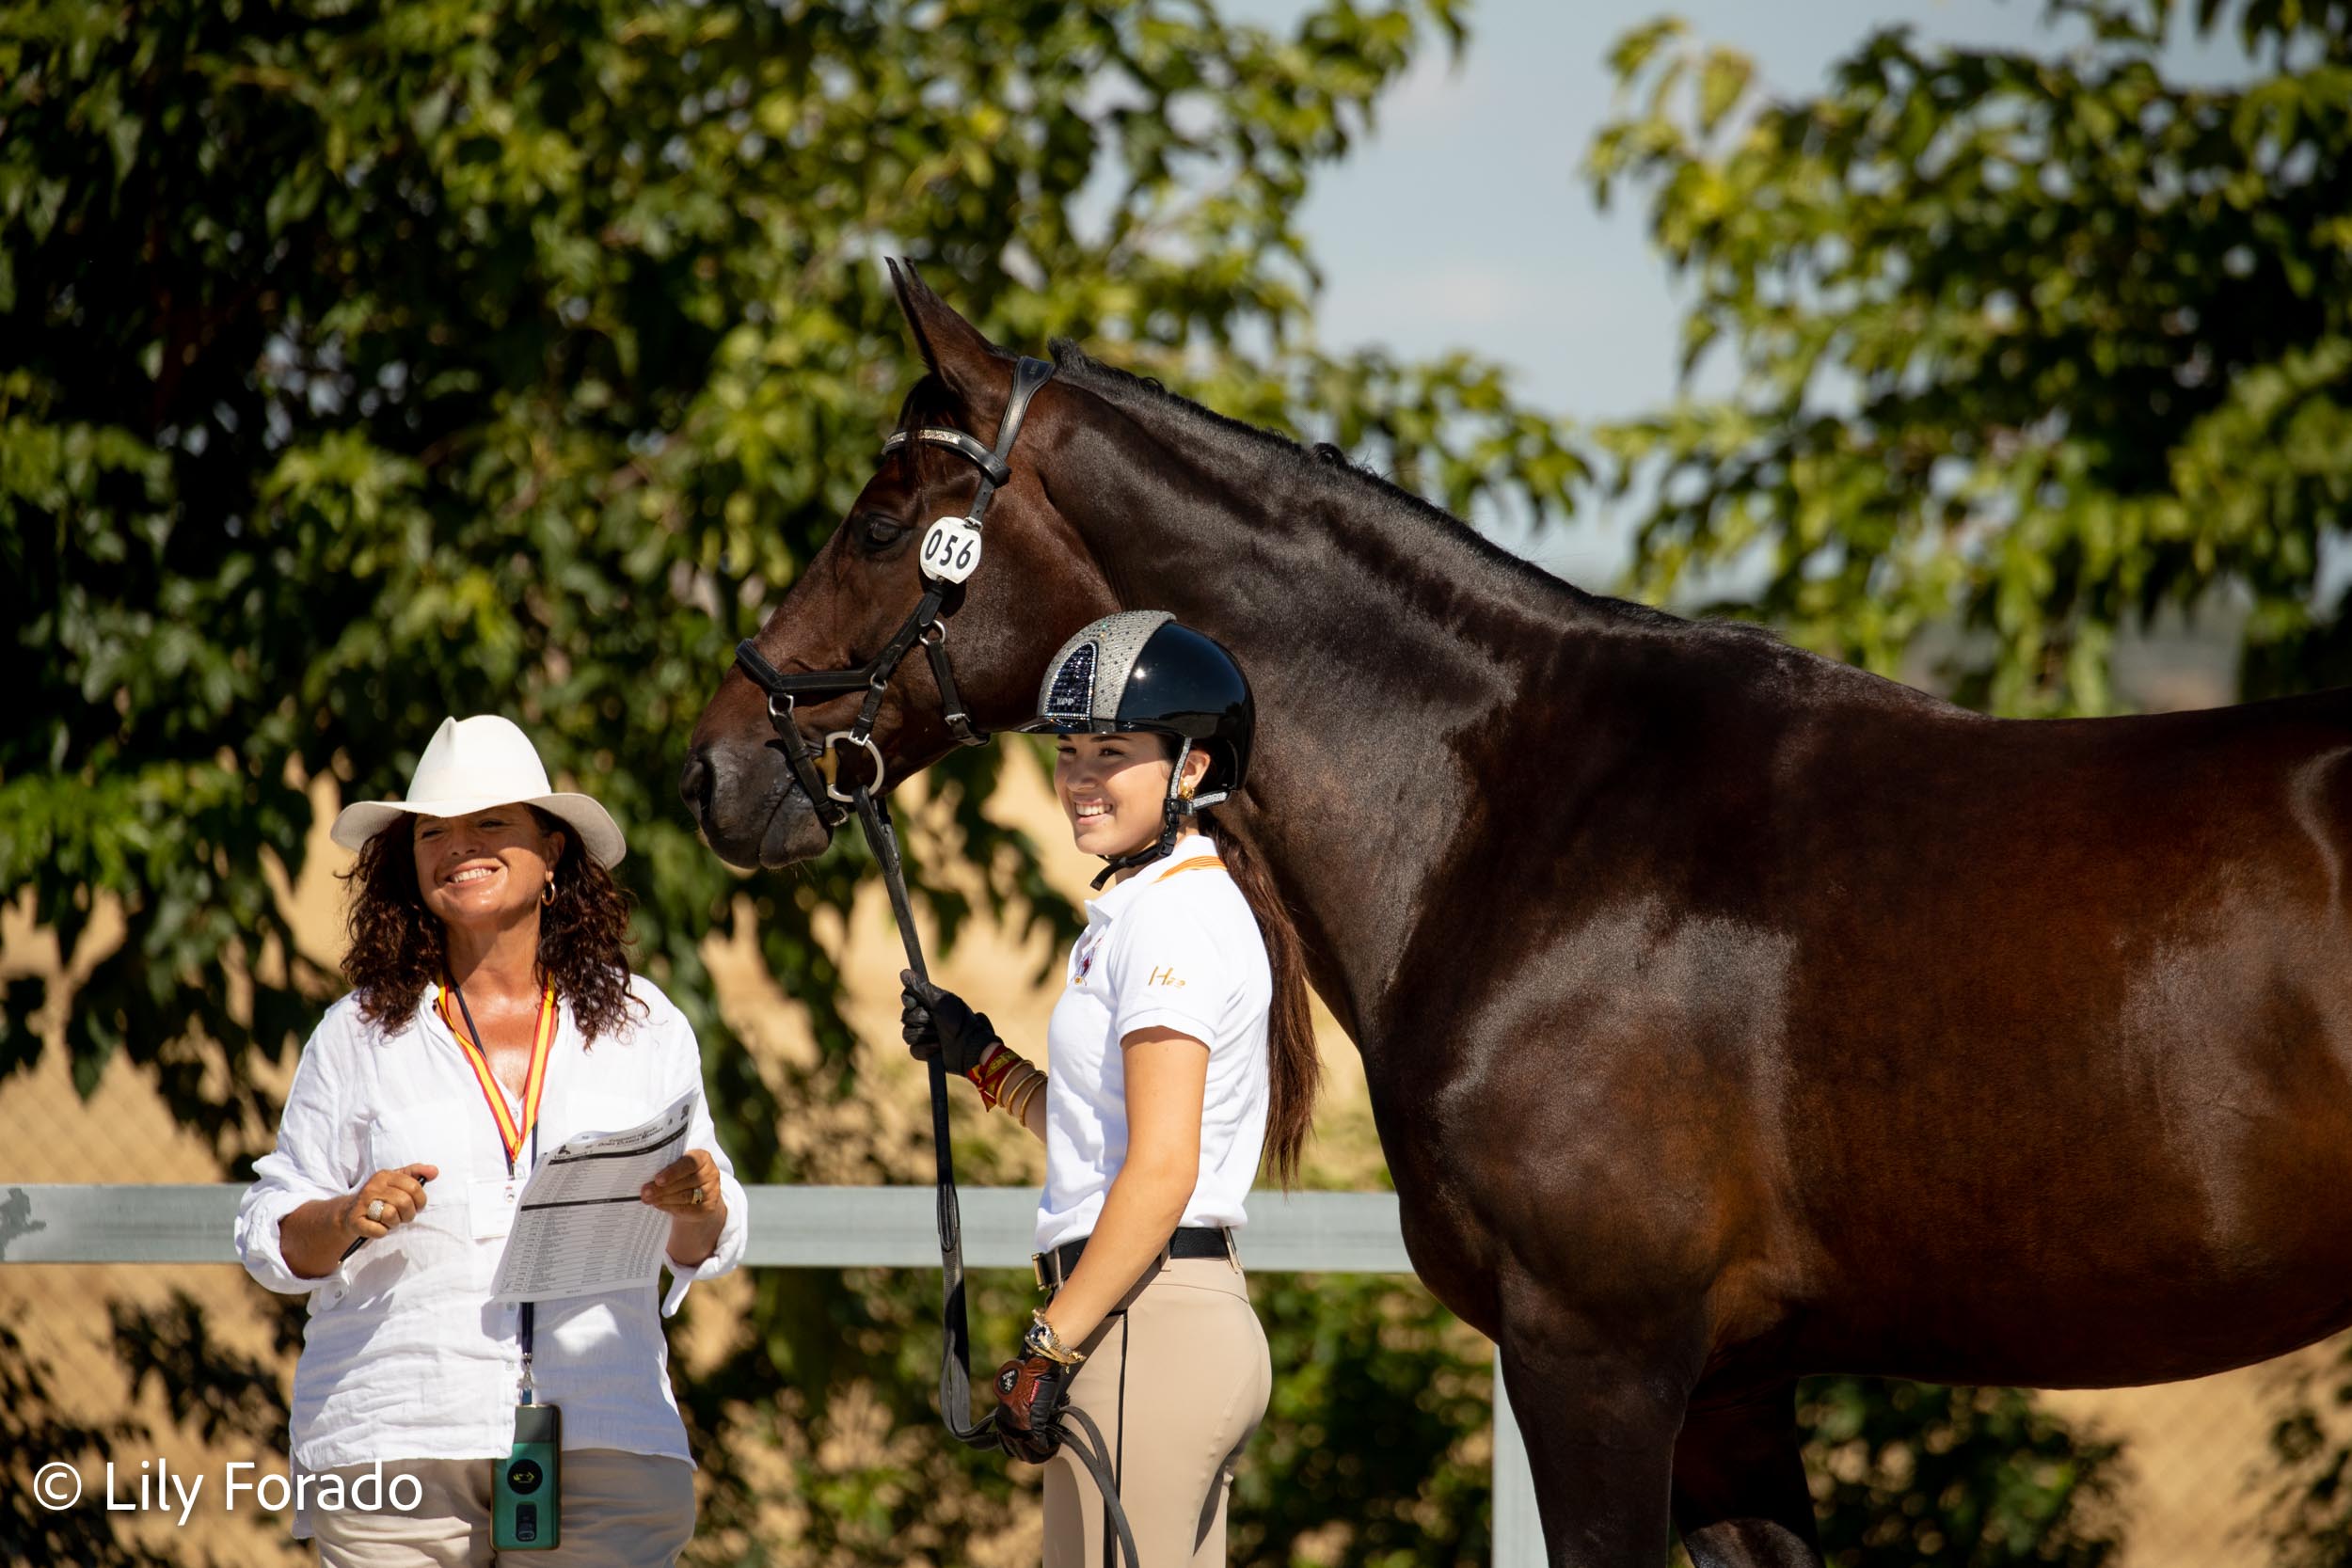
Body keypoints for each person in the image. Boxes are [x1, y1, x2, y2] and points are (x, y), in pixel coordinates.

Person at [235, 714, 748, 1567]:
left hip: (605, 1435)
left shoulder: (646, 1024)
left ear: (553, 853)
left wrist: (699, 1201)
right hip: (396, 1432)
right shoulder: (357, 1033)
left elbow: (703, 1241)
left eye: (491, 824)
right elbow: (270, 1233)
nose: (458, 846)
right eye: (432, 831)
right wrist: (345, 1214)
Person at [899, 610, 1320, 1568]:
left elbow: (1163, 1169)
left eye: (1113, 751)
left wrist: (1048, 1344)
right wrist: (983, 1062)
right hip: (1153, 1315)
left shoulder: (1170, 917)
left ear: (1193, 768)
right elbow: (1109, 1132)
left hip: (1146, 1320)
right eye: (1070, 750)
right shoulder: (1151, 903)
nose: (1081, 776)